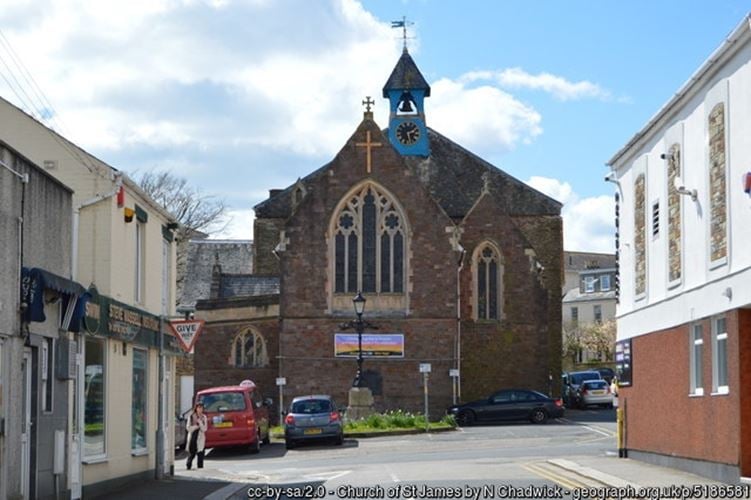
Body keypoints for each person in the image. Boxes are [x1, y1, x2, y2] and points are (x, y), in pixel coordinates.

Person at [186, 402, 207, 470]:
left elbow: (204, 429)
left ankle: (200, 468)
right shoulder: (191, 416)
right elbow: (188, 428)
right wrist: (195, 427)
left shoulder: (204, 417)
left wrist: (200, 423)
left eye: (201, 408)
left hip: (200, 437)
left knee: (200, 453)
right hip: (193, 436)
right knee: (192, 453)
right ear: (196, 408)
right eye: (199, 408)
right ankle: (188, 466)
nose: (200, 409)